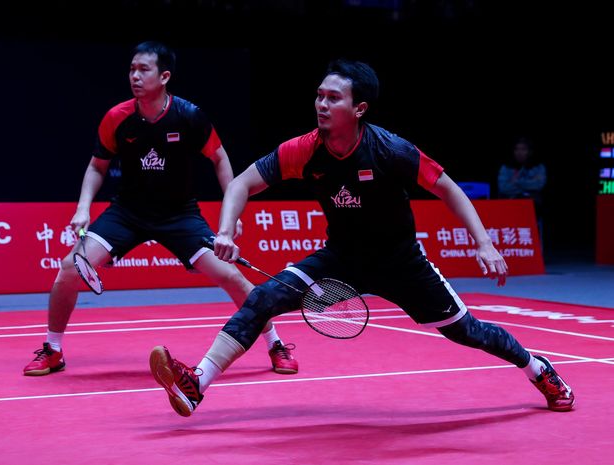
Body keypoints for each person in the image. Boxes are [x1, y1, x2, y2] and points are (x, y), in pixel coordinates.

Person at [149, 59, 574, 416]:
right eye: (319, 95)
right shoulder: (306, 148)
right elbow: (242, 183)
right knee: (263, 298)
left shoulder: (389, 150)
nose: (322, 103)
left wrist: (483, 242)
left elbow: (447, 186)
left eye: (334, 98)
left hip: (402, 263)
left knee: (467, 332)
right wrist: (227, 229)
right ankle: (196, 383)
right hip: (342, 260)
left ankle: (537, 367)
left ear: (359, 109)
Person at [23, 41, 298, 376]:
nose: (135, 76)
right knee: (69, 269)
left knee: (231, 276)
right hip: (127, 212)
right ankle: (52, 349)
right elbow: (97, 167)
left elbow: (219, 158)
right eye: (132, 69)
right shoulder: (117, 118)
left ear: (164, 76)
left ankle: (275, 344)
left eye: (144, 70)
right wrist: (83, 208)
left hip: (179, 215)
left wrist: (232, 214)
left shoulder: (189, 116)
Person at [497, 137, 547, 236]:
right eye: (517, 149)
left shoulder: (538, 167)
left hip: (533, 205)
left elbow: (538, 185)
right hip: (510, 202)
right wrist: (529, 183)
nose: (520, 152)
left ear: (529, 151)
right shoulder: (506, 168)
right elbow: (503, 187)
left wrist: (516, 182)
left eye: (523, 149)